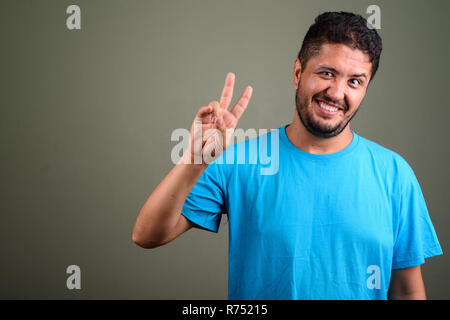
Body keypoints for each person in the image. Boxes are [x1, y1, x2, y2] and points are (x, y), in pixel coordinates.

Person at [132, 11, 442, 300]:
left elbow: (406, 291)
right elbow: (147, 235)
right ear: (298, 72)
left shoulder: (394, 174)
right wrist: (194, 161)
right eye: (326, 73)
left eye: (354, 81)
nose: (336, 92)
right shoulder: (243, 161)